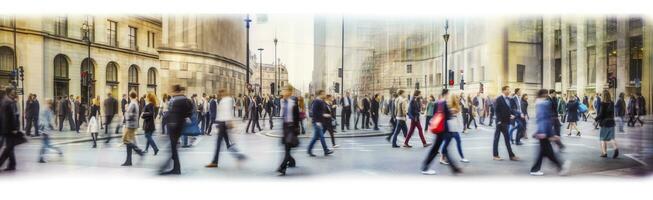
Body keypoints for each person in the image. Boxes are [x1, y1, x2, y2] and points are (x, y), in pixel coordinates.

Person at [530, 89, 571, 176]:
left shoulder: (540, 103)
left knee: (544, 152)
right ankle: (560, 167)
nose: (546, 95)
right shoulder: (543, 104)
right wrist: (545, 132)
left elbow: (541, 119)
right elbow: (543, 119)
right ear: (543, 94)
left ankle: (535, 169)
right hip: (544, 131)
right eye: (545, 94)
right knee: (548, 152)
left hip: (543, 131)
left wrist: (541, 131)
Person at [421, 88, 462, 175]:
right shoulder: (444, 104)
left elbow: (434, 115)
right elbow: (448, 116)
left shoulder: (437, 103)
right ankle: (425, 167)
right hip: (443, 129)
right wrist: (452, 112)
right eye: (448, 94)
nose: (449, 96)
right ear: (446, 94)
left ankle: (454, 169)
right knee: (438, 149)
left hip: (439, 129)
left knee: (441, 149)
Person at [205, 89, 246, 168]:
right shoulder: (225, 100)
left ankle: (215, 162)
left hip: (223, 123)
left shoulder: (226, 100)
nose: (219, 94)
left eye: (220, 93)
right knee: (227, 143)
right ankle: (239, 156)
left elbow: (227, 112)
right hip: (222, 123)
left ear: (223, 92)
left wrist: (229, 122)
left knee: (219, 143)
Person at [160, 85, 193, 175]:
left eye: (172, 90)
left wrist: (168, 120)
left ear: (175, 91)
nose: (171, 92)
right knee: (173, 148)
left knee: (172, 148)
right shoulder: (185, 100)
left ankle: (169, 168)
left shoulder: (176, 100)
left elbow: (173, 114)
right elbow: (189, 111)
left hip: (174, 126)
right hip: (178, 126)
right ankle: (176, 168)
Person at [277, 86, 300, 176]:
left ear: (290, 92)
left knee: (287, 149)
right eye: (283, 90)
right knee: (287, 149)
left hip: (291, 128)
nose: (283, 92)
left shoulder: (293, 103)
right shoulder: (283, 102)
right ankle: (292, 162)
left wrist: (296, 129)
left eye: (285, 90)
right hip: (285, 128)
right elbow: (282, 116)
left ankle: (282, 168)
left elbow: (297, 117)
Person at [440, 93, 470, 164]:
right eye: (457, 98)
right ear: (454, 99)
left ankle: (462, 157)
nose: (458, 99)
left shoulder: (455, 107)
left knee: (455, 143)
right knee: (447, 144)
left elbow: (459, 118)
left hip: (453, 128)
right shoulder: (451, 107)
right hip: (450, 129)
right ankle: (442, 158)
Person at [493, 86, 519, 161]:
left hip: (506, 122)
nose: (509, 91)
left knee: (507, 139)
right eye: (508, 90)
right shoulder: (499, 99)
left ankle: (511, 156)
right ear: (503, 91)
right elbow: (497, 110)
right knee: (496, 139)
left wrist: (513, 115)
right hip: (500, 122)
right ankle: (495, 155)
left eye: (509, 90)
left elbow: (510, 110)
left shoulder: (510, 99)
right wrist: (498, 121)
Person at [0, 87, 22, 171]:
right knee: (9, 147)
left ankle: (12, 164)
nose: (14, 94)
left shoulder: (8, 101)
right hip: (8, 129)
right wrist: (13, 128)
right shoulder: (7, 102)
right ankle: (10, 164)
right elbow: (8, 117)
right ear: (9, 92)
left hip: (7, 128)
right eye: (13, 92)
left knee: (10, 147)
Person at [307, 90, 334, 157]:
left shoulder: (321, 101)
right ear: (320, 94)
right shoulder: (316, 101)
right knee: (321, 137)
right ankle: (326, 150)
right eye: (324, 94)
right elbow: (314, 112)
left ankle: (309, 149)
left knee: (316, 137)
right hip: (317, 122)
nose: (325, 95)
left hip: (319, 122)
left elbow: (321, 111)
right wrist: (323, 115)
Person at [121, 92, 145, 166]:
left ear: (130, 96)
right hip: (133, 124)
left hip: (130, 125)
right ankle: (128, 161)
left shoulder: (132, 103)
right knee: (128, 141)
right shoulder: (136, 103)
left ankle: (139, 151)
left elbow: (129, 115)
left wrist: (126, 111)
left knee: (125, 140)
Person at [37, 98, 64, 163]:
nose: (48, 104)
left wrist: (43, 128)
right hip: (44, 129)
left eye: (48, 103)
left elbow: (46, 120)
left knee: (46, 144)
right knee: (47, 144)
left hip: (44, 130)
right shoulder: (46, 110)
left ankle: (41, 158)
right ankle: (58, 150)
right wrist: (53, 127)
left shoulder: (44, 109)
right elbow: (49, 120)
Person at [595, 90, 619, 158]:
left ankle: (604, 153)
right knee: (611, 138)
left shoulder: (603, 103)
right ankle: (616, 148)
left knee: (602, 138)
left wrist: (596, 119)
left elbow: (601, 114)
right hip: (612, 122)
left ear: (603, 96)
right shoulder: (612, 103)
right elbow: (613, 113)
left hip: (605, 123)